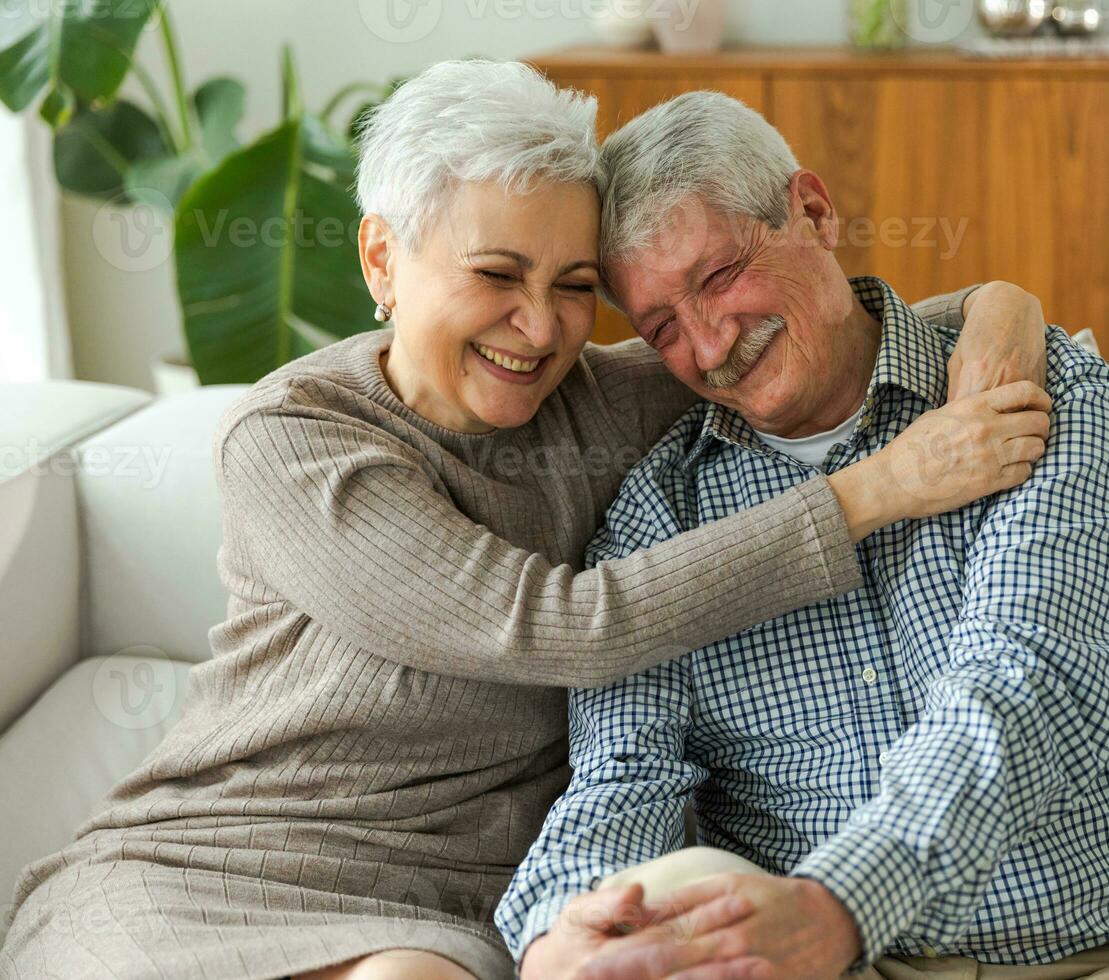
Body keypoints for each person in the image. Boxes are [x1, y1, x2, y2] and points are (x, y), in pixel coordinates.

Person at [0, 63, 1053, 980]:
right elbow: (554, 627)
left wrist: (1007, 305)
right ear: (381, 259)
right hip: (210, 869)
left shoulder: (594, 398)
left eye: (575, 287)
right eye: (496, 275)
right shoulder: (295, 439)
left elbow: (830, 317)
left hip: (440, 904)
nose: (540, 327)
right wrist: (875, 489)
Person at [498, 92, 1109, 980]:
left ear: (813, 210)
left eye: (719, 277)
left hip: (1092, 956)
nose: (712, 342)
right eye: (661, 329)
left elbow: (1033, 685)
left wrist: (835, 907)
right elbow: (623, 775)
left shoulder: (1044, 394)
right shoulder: (659, 517)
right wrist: (555, 929)